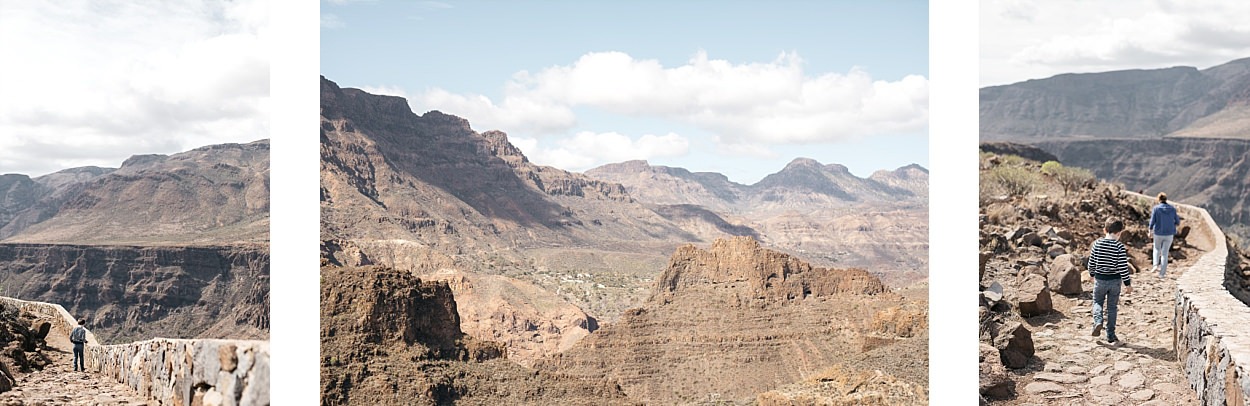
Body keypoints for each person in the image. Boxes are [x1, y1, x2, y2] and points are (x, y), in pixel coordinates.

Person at [1088, 217, 1132, 344]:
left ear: (1104, 230)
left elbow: (1091, 262)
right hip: (1115, 282)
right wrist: (1127, 284)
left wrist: (1091, 274)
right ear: (1119, 233)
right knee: (1112, 307)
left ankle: (1098, 321)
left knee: (1097, 302)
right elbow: (1123, 267)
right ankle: (1111, 335)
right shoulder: (1119, 246)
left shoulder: (1097, 244)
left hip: (1100, 280)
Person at [1149, 193, 1180, 277]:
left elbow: (1152, 221)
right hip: (1169, 234)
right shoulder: (1172, 209)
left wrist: (1150, 230)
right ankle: (1162, 274)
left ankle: (1155, 265)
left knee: (1156, 249)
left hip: (1158, 233)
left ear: (1158, 199)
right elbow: (1177, 221)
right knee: (1165, 253)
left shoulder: (1156, 209)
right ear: (1166, 199)